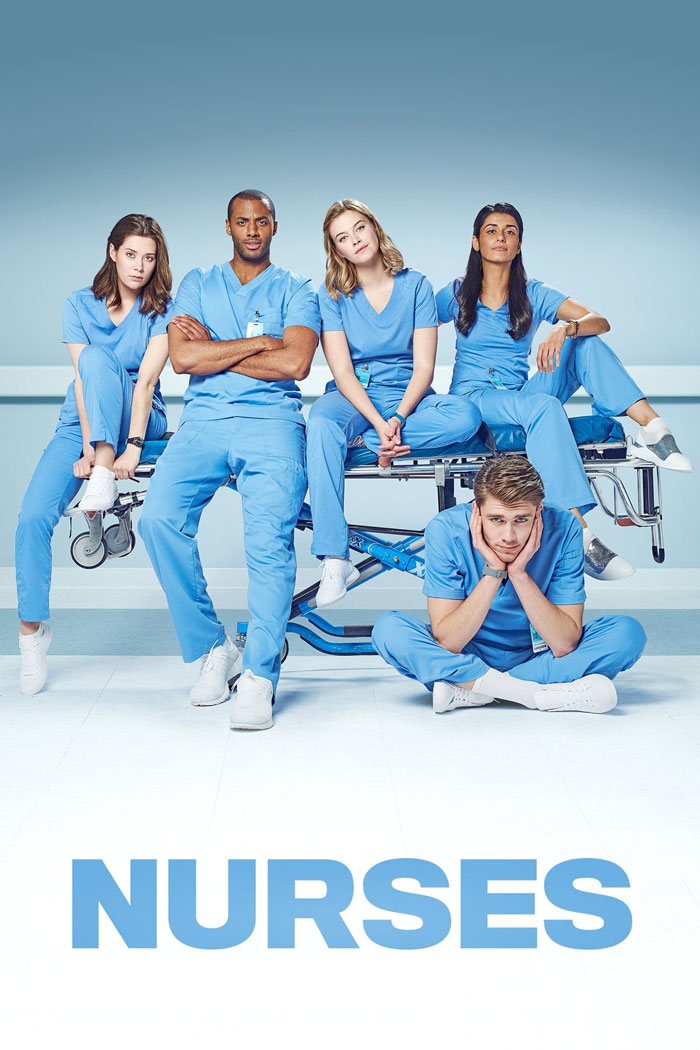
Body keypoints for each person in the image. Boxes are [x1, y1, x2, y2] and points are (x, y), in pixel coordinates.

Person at [138, 189, 320, 731]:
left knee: (267, 545)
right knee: (157, 519)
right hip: (205, 425)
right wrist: (258, 342)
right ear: (228, 227)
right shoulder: (197, 283)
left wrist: (218, 348)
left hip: (273, 427)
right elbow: (183, 357)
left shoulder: (297, 289)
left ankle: (260, 675)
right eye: (243, 222)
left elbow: (297, 364)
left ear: (275, 226)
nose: (252, 230)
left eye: (261, 221)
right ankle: (214, 647)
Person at [436, 203, 692, 582]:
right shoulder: (456, 293)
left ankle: (654, 430)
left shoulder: (532, 292)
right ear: (475, 242)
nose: (500, 237)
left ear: (519, 243)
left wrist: (565, 329)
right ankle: (579, 535)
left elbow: (598, 321)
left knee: (585, 344)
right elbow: (408, 325)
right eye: (491, 230)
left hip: (519, 395)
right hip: (474, 398)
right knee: (542, 407)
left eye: (509, 231)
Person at [15, 214, 173, 696]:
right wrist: (90, 447)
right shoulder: (79, 304)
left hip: (142, 421)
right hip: (83, 422)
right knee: (31, 519)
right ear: (112, 251)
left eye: (149, 257)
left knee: (105, 364)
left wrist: (126, 448)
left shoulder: (163, 308)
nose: (140, 266)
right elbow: (85, 382)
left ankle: (101, 472)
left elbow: (144, 382)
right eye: (131, 254)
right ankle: (32, 635)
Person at [307, 199, 482, 607]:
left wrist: (397, 419)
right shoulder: (331, 295)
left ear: (374, 228)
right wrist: (377, 421)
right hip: (355, 397)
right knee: (319, 423)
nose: (355, 241)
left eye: (359, 229)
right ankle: (335, 557)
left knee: (467, 415)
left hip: (411, 396)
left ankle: (366, 444)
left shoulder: (416, 285)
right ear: (337, 250)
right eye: (343, 238)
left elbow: (424, 367)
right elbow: (343, 372)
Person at [372, 456, 647, 714]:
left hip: (541, 656)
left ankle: (472, 689)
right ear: (476, 512)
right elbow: (449, 642)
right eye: (496, 520)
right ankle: (538, 694)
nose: (509, 536)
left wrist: (518, 574)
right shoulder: (445, 529)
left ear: (538, 512)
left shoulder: (564, 527)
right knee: (389, 631)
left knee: (627, 634)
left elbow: (564, 644)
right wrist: (493, 572)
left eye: (521, 520)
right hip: (470, 652)